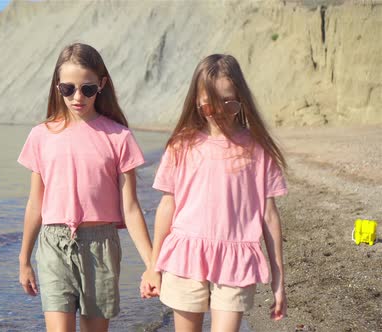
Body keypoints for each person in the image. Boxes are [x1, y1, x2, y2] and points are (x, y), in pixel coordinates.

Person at [140, 54, 288, 331]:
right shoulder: (181, 145)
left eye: (229, 104)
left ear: (242, 100)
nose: (219, 113)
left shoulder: (257, 149)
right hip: (185, 254)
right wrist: (153, 266)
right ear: (196, 101)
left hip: (236, 260)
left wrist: (279, 279)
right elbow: (167, 206)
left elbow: (269, 215)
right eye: (210, 106)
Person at [17, 43, 153, 332]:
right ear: (58, 87)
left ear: (101, 85)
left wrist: (152, 264)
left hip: (101, 245)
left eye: (87, 89)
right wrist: (24, 259)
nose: (77, 97)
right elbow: (34, 205)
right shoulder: (40, 135)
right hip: (53, 244)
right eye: (68, 89)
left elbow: (130, 208)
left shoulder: (119, 137)